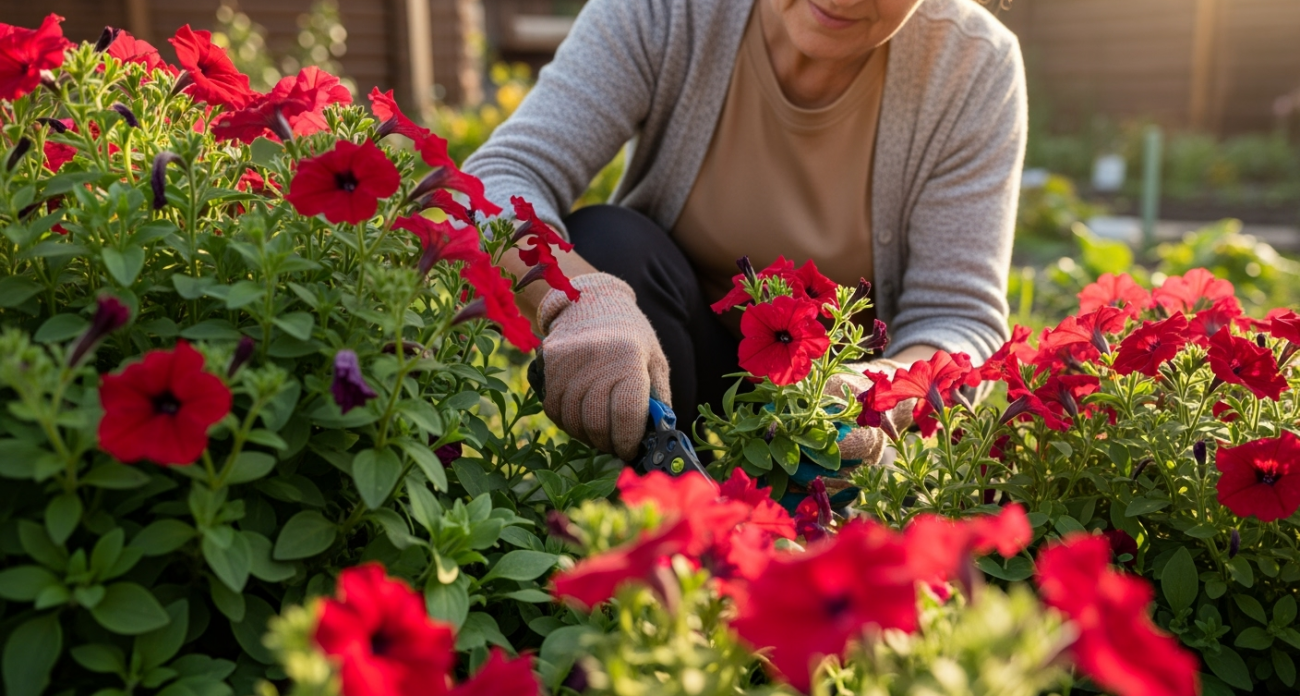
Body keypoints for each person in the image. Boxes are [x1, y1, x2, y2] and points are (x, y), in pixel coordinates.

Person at [464, 0, 1026, 466]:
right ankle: (648, 501)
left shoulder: (972, 65)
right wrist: (582, 300)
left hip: (826, 420)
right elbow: (500, 179)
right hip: (664, 366)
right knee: (608, 244)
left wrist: (877, 398)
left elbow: (959, 319)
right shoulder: (671, 11)